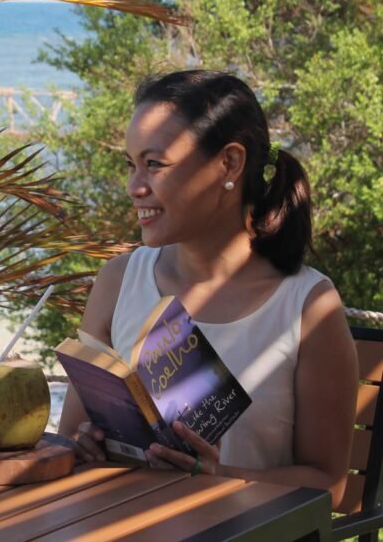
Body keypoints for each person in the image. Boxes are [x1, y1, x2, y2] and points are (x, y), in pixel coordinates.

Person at [57, 70, 358, 508]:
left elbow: (328, 484)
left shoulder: (306, 307)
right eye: (131, 164)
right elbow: (71, 438)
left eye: (155, 164)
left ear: (229, 164)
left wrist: (217, 479)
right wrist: (84, 447)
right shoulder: (119, 281)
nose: (133, 186)